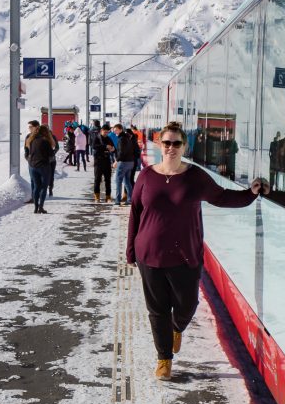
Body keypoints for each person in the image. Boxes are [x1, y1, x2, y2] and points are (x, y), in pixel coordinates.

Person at [126, 121, 268, 380]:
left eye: (176, 143)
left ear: (184, 146)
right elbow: (135, 212)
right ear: (159, 144)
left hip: (185, 255)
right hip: (149, 254)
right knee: (157, 309)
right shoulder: (146, 176)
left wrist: (250, 194)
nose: (170, 147)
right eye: (166, 142)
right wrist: (130, 252)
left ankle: (177, 327)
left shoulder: (195, 176)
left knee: (187, 304)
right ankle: (164, 360)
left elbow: (223, 197)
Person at [28, 125, 55, 214]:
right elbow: (51, 155)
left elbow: (30, 153)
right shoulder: (45, 141)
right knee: (43, 187)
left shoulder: (31, 140)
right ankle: (41, 207)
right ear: (45, 132)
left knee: (36, 186)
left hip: (33, 166)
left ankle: (35, 207)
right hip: (43, 166)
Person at [111, 123, 140, 205]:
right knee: (127, 181)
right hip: (130, 162)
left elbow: (121, 152)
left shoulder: (121, 139)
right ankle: (130, 199)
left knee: (118, 181)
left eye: (116, 129)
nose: (114, 131)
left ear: (120, 129)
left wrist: (116, 161)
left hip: (123, 162)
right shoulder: (128, 138)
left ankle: (117, 200)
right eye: (114, 129)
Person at [92, 124, 116, 203]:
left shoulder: (109, 138)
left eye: (107, 132)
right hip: (98, 161)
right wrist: (105, 146)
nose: (106, 133)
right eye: (105, 132)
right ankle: (97, 196)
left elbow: (113, 147)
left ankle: (108, 197)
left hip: (107, 161)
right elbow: (94, 146)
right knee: (97, 179)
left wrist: (112, 149)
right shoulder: (97, 138)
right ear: (101, 131)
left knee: (108, 180)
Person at [23, 120, 41, 203]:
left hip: (41, 162)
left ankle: (39, 195)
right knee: (32, 180)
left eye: (31, 127)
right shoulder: (28, 136)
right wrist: (27, 157)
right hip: (31, 161)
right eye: (29, 127)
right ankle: (34, 197)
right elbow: (26, 149)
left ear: (36, 127)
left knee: (39, 180)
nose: (29, 128)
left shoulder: (41, 136)